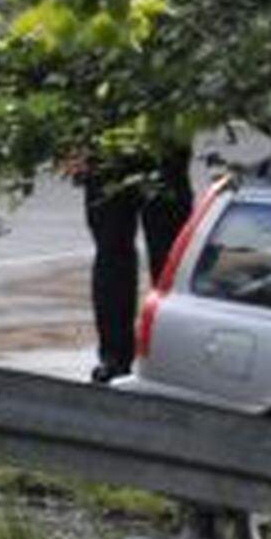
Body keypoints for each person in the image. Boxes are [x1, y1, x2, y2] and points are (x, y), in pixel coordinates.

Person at [77, 140, 195, 383]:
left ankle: (167, 353)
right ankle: (115, 357)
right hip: (107, 150)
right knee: (112, 252)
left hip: (160, 141)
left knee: (168, 258)